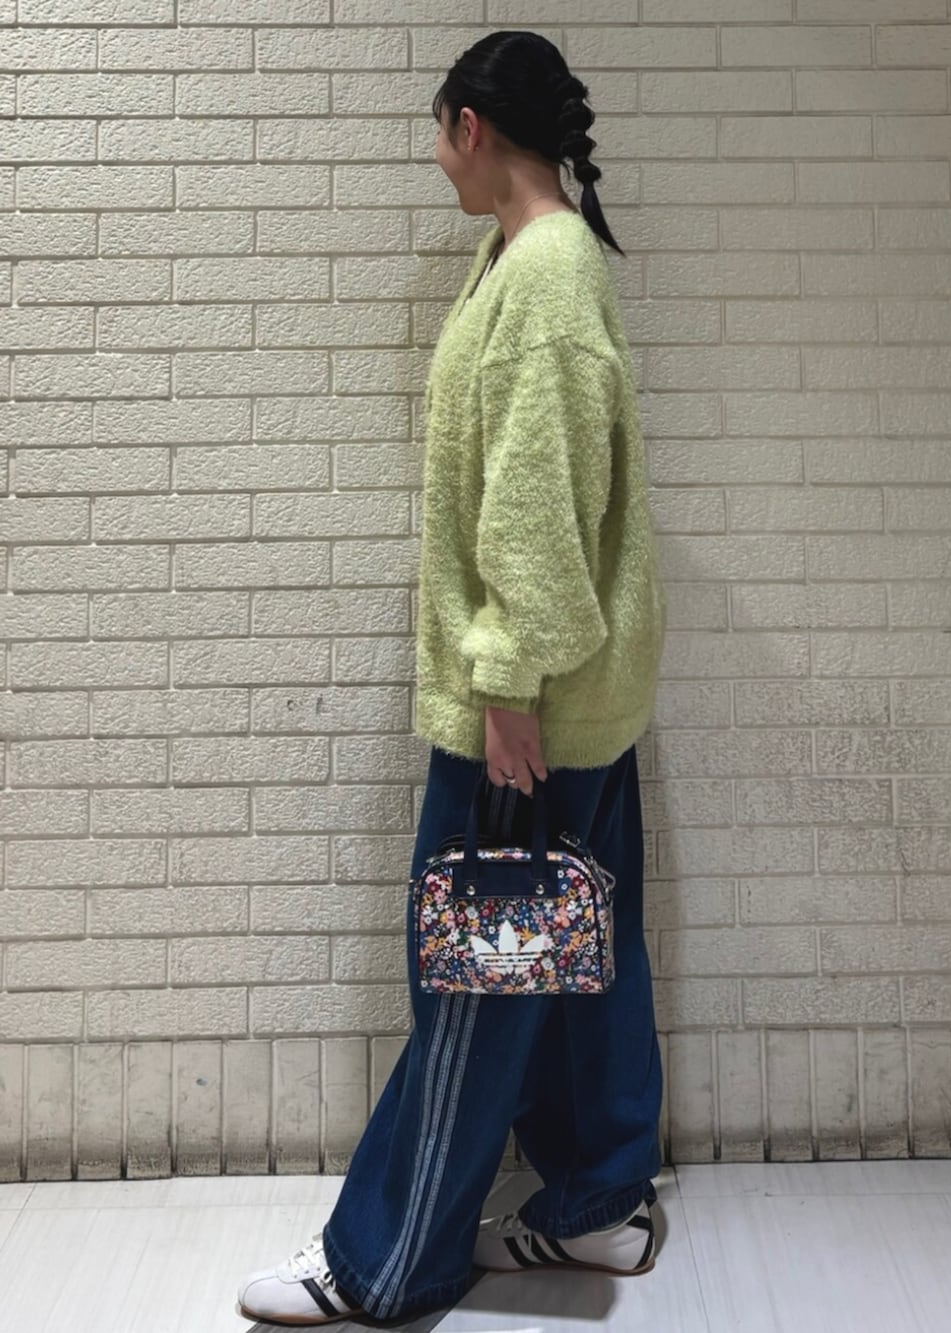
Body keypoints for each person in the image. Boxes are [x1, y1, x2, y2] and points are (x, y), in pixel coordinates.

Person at [236, 29, 667, 1326]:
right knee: (582, 964)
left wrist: (507, 681)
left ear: (472, 127)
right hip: (575, 705)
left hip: (529, 712)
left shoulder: (543, 279)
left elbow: (536, 511)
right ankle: (595, 1203)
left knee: (474, 983)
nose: (435, 158)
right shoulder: (539, 260)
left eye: (437, 132)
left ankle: (386, 1260)